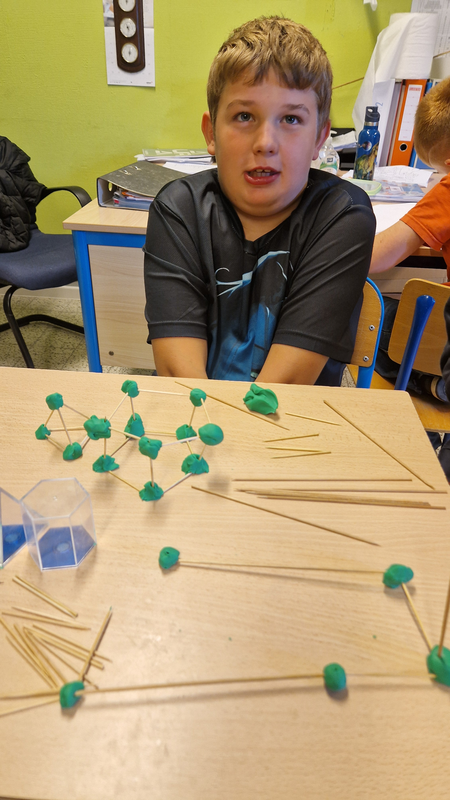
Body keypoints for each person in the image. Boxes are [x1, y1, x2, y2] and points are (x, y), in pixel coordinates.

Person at [144, 16, 375, 384]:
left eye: (291, 119)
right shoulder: (179, 209)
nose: (265, 142)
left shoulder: (343, 215)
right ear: (211, 133)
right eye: (244, 116)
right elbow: (180, 375)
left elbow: (286, 385)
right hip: (199, 412)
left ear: (320, 138)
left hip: (291, 415)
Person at [370, 77, 450, 404]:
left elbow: (376, 257)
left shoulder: (446, 194)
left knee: (364, 312)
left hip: (443, 339)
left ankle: (428, 383)